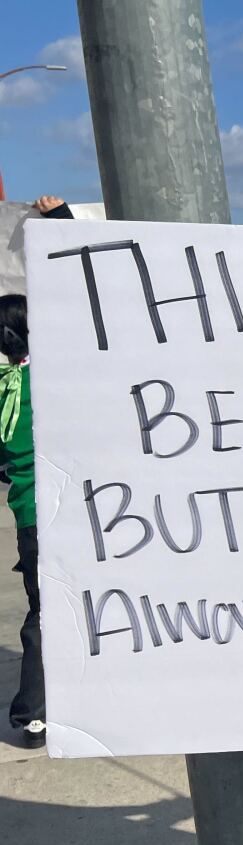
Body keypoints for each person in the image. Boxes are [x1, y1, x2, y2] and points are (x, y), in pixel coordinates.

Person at [0, 292, 43, 749]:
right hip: (82, 507)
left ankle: (33, 715)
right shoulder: (53, 379)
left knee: (43, 612)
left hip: (30, 515)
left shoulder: (4, 386)